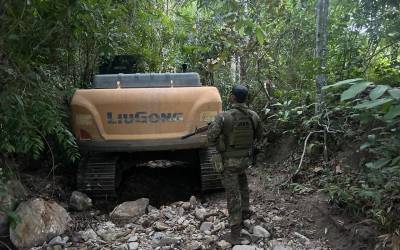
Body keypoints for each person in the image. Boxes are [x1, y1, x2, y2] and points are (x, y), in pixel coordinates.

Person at [207, 85, 263, 244]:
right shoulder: (254, 116)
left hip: (229, 163)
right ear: (246, 98)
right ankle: (245, 214)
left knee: (233, 195)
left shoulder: (223, 117)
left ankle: (235, 233)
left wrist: (218, 133)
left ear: (232, 97)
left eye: (230, 94)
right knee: (243, 184)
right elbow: (260, 136)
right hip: (245, 161)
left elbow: (210, 138)